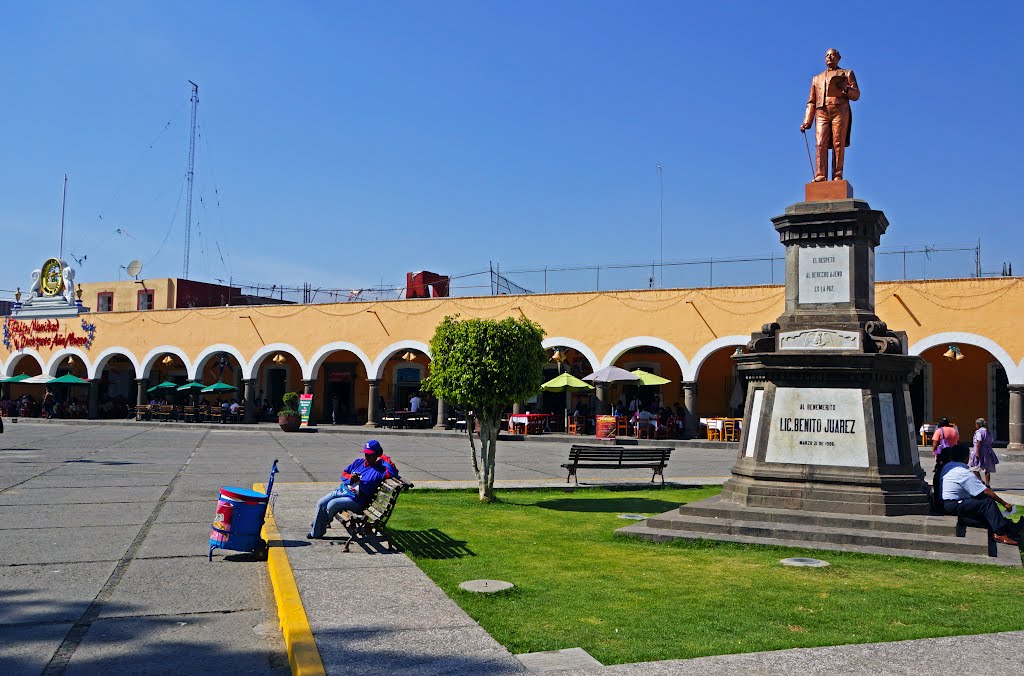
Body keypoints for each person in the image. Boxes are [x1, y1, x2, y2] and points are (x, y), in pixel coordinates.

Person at [307, 440, 400, 539]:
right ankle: (319, 524)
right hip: (343, 490)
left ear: (377, 454)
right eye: (366, 454)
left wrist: (382, 457)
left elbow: (393, 472)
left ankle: (316, 532)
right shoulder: (358, 462)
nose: (367, 457)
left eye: (370, 454)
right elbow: (344, 474)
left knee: (332, 504)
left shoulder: (380, 470)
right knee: (321, 503)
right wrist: (351, 477)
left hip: (357, 499)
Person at [941, 444, 1020, 546]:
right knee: (987, 503)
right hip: (954, 504)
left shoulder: (949, 466)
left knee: (982, 502)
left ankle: (1004, 527)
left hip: (947, 503)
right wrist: (1005, 504)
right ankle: (1000, 534)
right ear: (966, 457)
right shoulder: (963, 472)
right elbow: (986, 491)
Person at [800, 48, 860, 182]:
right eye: (827, 55)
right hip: (821, 111)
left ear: (839, 57)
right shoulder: (817, 78)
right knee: (820, 143)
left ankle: (837, 174)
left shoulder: (847, 73)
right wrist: (807, 121)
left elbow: (856, 95)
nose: (829, 57)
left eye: (832, 55)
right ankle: (820, 174)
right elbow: (811, 102)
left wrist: (846, 89)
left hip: (839, 110)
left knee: (838, 144)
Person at [970, 418, 999, 487]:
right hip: (988, 451)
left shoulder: (979, 432)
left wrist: (977, 452)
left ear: (978, 424)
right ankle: (987, 483)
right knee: (987, 468)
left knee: (974, 467)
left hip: (980, 450)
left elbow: (979, 442)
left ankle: (980, 480)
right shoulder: (988, 432)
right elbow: (991, 441)